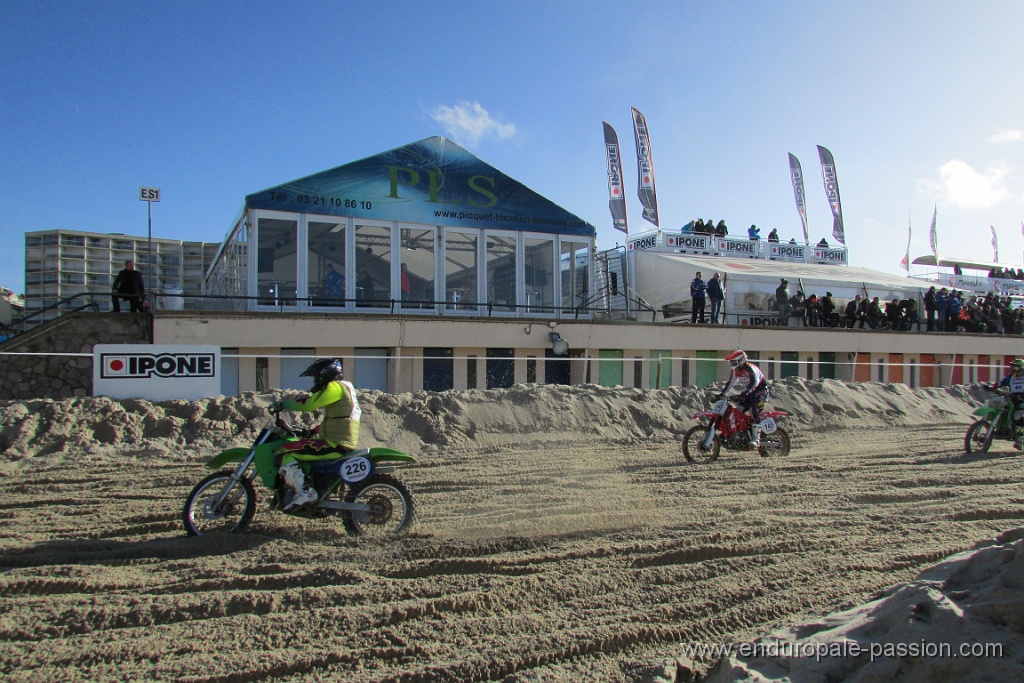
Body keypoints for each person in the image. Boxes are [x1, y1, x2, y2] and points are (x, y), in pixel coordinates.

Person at [272, 359, 361, 510]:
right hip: (340, 440)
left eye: (315, 377)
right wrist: (312, 431)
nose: (315, 381)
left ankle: (305, 492)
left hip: (335, 444)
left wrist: (283, 404)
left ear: (323, 375)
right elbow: (340, 419)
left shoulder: (334, 387)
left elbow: (309, 405)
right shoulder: (346, 387)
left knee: (284, 451)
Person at [717, 350, 770, 448]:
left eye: (734, 362)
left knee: (754, 410)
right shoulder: (735, 371)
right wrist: (722, 394)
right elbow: (731, 383)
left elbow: (755, 381)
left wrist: (746, 392)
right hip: (750, 393)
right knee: (738, 410)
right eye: (731, 362)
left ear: (741, 360)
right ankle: (742, 433)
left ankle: (756, 438)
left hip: (761, 391)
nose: (732, 365)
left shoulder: (749, 368)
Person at [993, 359, 1024, 449]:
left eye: (1016, 367)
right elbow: (998, 383)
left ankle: (1020, 437)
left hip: (1022, 399)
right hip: (1012, 397)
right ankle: (1001, 428)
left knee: (1018, 415)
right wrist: (992, 387)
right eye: (1013, 367)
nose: (1014, 369)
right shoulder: (1010, 377)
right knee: (1003, 409)